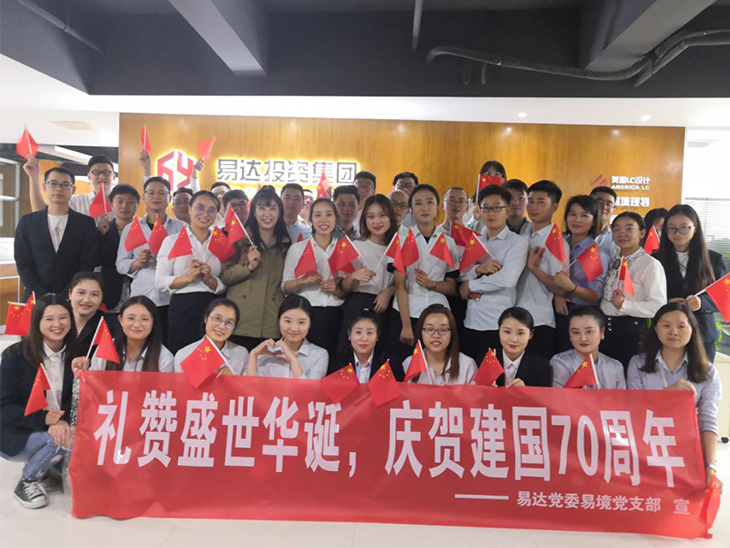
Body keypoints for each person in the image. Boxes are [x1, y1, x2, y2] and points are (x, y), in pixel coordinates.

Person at [627, 302, 723, 489]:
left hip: (687, 449)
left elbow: (708, 420)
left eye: (681, 326)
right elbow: (632, 410)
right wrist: (667, 395)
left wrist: (710, 467)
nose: (674, 331)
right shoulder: (638, 364)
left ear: (692, 330)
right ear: (656, 328)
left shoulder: (707, 371)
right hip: (645, 447)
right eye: (666, 325)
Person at [0, 294, 76, 509]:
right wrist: (45, 420)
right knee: (59, 439)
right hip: (19, 432)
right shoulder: (15, 356)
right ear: (37, 322)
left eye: (63, 317)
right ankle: (28, 479)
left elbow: (77, 398)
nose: (57, 324)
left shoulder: (76, 354)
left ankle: (50, 467)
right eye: (49, 319)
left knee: (73, 436)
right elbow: (3, 406)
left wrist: (65, 421)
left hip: (61, 426)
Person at [388, 185, 459, 370]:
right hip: (407, 312)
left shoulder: (448, 242)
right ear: (411, 208)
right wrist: (406, 325)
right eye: (418, 203)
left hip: (439, 314)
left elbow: (452, 287)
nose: (425, 208)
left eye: (430, 202)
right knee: (403, 367)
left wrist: (431, 284)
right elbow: (400, 286)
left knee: (437, 367)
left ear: (438, 207)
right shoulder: (401, 239)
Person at [460, 186, 529, 364]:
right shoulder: (475, 240)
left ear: (508, 210)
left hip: (496, 323)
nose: (491, 213)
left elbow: (507, 279)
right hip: (470, 320)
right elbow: (462, 274)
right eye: (486, 208)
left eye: (497, 207)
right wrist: (478, 270)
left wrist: (471, 285)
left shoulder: (517, 243)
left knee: (492, 376)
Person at [155, 191, 226, 353]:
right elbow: (160, 281)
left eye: (211, 210)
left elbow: (227, 282)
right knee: (182, 355)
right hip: (183, 307)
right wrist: (188, 278)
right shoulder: (172, 241)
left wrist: (210, 280)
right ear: (190, 209)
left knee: (212, 356)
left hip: (213, 307)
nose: (205, 214)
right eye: (200, 208)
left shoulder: (221, 241)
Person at [117, 176, 185, 343]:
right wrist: (137, 263)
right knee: (141, 341)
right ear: (144, 197)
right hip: (142, 294)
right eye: (151, 192)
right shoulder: (132, 228)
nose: (156, 196)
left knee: (169, 341)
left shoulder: (181, 228)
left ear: (169, 198)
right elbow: (120, 263)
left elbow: (187, 262)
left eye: (162, 193)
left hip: (171, 296)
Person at [654, 205, 727, 361]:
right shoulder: (655, 260)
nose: (678, 233)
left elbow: (723, 296)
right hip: (668, 334)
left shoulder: (713, 259)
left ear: (695, 228)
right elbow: (648, 293)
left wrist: (701, 303)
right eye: (672, 228)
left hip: (702, 333)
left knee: (700, 376)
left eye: (684, 227)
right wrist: (666, 302)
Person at [15, 167, 100, 300]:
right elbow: (23, 262)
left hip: (72, 298)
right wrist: (43, 294)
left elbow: (86, 264)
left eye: (65, 185)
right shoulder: (28, 222)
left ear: (73, 189)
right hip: (35, 297)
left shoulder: (86, 223)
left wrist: (65, 294)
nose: (59, 189)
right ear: (44, 186)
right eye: (53, 183)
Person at [221, 190, 290, 351]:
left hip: (271, 320)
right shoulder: (239, 240)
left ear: (280, 213)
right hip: (240, 318)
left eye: (272, 208)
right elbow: (225, 275)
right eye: (261, 208)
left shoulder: (286, 245)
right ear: (254, 212)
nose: (267, 214)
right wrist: (248, 267)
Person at [600, 212, 667, 370]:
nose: (622, 234)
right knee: (607, 378)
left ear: (642, 233)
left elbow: (658, 306)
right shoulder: (613, 259)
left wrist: (624, 305)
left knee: (629, 378)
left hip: (632, 331)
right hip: (605, 329)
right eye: (617, 229)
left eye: (629, 229)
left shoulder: (650, 264)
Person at [282, 198, 345, 362]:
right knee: (305, 362)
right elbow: (285, 287)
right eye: (318, 215)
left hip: (336, 314)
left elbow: (349, 289)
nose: (323, 220)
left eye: (329, 214)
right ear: (310, 219)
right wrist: (302, 281)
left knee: (333, 362)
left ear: (336, 218)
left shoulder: (344, 249)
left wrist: (337, 289)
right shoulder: (298, 249)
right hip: (306, 315)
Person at [515, 180, 570, 359]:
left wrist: (532, 267)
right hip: (514, 315)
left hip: (539, 319)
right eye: (530, 201)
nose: (533, 207)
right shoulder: (523, 233)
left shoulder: (556, 242)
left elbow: (560, 287)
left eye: (541, 202)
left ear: (554, 207)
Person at [339, 195, 397, 352]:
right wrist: (354, 276)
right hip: (358, 304)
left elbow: (403, 282)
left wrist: (389, 292)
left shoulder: (397, 246)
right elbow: (343, 288)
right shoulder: (356, 246)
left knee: (381, 354)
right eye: (371, 217)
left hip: (385, 307)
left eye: (382, 215)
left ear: (390, 217)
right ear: (364, 220)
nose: (377, 221)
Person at [552, 195, 610, 351]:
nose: (577, 220)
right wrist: (559, 294)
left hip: (582, 315)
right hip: (555, 311)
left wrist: (571, 288)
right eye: (572, 214)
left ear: (594, 220)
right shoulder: (559, 243)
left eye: (584, 215)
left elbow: (594, 295)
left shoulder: (595, 253)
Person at [73, 296, 174, 372]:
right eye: (131, 318)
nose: (137, 325)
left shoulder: (164, 357)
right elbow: (94, 385)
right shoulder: (107, 348)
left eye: (144, 319)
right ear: (121, 320)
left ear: (153, 321)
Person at [246, 295, 328, 379]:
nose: (294, 328)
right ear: (279, 321)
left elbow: (311, 387)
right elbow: (250, 386)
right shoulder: (264, 351)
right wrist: (253, 355)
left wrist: (293, 360)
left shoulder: (319, 355)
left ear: (310, 324)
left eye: (301, 322)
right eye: (288, 321)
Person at [551, 306, 626, 389]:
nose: (583, 338)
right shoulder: (561, 362)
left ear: (601, 332)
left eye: (589, 332)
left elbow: (621, 397)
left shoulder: (615, 366)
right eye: (576, 332)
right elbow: (559, 396)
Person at [26, 155, 116, 222]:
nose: (102, 177)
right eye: (96, 172)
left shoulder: (121, 203)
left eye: (106, 172)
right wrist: (33, 176)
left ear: (114, 176)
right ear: (89, 176)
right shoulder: (75, 201)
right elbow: (40, 212)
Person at [401, 305, 477, 385]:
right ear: (420, 332)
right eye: (430, 329)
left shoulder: (467, 365)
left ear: (452, 333)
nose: (436, 335)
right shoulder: (409, 364)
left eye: (443, 330)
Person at [174, 298, 248, 375]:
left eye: (229, 322)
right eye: (217, 319)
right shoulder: (185, 354)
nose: (222, 326)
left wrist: (231, 379)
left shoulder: (241, 353)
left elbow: (247, 382)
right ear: (206, 318)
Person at [101, 184, 139, 312]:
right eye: (120, 201)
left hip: (139, 291)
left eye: (130, 202)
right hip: (109, 294)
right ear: (111, 205)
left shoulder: (144, 231)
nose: (124, 206)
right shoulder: (103, 230)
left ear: (137, 205)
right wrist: (99, 235)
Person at [495, 307, 552, 387]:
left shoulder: (541, 367)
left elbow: (544, 394)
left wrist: (525, 391)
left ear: (530, 334)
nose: (513, 339)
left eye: (520, 333)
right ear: (499, 331)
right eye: (507, 332)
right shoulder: (486, 360)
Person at [331, 309, 387, 381]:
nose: (364, 338)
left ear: (377, 336)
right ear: (349, 334)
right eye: (358, 332)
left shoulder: (387, 363)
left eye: (369, 333)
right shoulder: (339, 361)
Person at [67, 272, 108, 357]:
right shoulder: (58, 321)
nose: (86, 300)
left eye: (94, 294)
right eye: (81, 293)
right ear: (70, 294)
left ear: (102, 297)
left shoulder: (108, 327)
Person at [590, 186, 620, 257]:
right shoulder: (575, 234)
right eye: (599, 202)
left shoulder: (616, 240)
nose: (604, 206)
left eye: (609, 204)